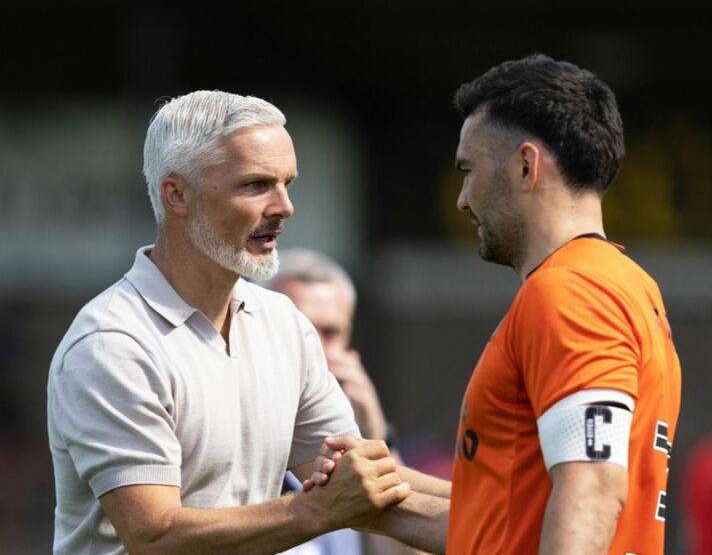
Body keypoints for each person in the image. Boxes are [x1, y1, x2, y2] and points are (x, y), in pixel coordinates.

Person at [46, 90, 448, 554]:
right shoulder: (112, 344)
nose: (284, 206)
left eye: (287, 183)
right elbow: (154, 537)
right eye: (256, 185)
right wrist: (313, 510)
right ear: (176, 194)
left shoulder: (282, 323)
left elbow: (365, 490)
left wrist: (521, 513)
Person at [315, 54, 681, 554]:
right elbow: (503, 520)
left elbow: (592, 487)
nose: (463, 198)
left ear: (527, 166)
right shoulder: (623, 285)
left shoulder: (572, 291)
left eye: (469, 170)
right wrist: (377, 497)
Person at [268, 248, 414, 555]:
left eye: (330, 333)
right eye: (301, 330)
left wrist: (378, 439)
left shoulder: (355, 436)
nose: (316, 350)